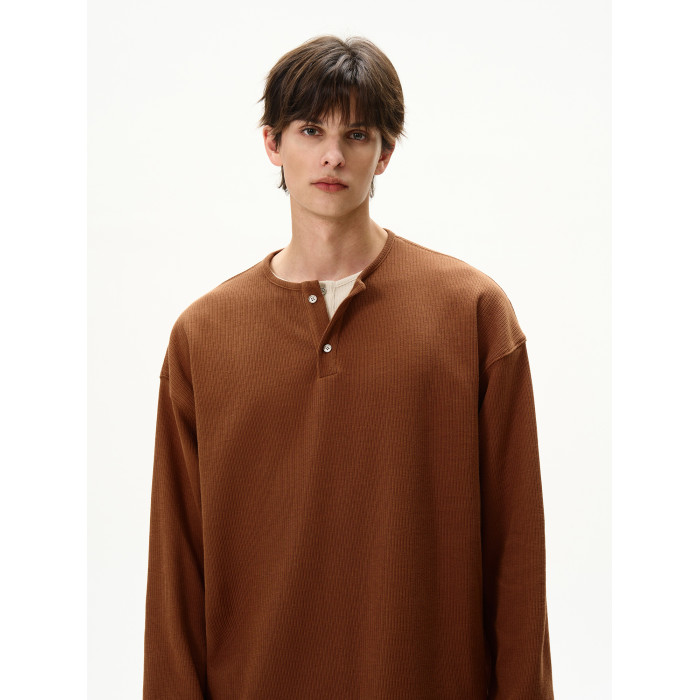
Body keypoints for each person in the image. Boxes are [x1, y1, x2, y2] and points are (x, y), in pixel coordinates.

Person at [143, 34, 554, 699]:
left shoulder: (473, 313)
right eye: (311, 130)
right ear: (273, 143)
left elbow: (517, 557)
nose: (332, 155)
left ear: (384, 153)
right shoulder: (204, 336)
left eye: (356, 134)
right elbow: (176, 573)